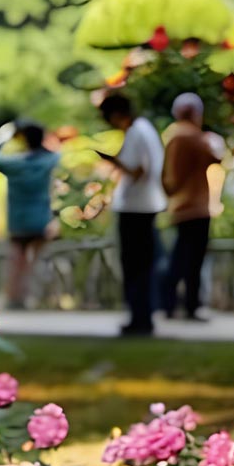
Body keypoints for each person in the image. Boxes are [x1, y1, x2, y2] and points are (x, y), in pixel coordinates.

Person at [98, 93, 165, 337]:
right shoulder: (144, 129)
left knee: (135, 265)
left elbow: (138, 171)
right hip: (144, 206)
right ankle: (141, 316)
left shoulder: (137, 131)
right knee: (142, 264)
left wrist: (113, 161)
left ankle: (140, 318)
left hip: (136, 208)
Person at [159, 93, 222, 321]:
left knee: (180, 256)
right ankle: (190, 306)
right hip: (195, 207)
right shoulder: (193, 136)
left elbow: (168, 175)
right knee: (191, 260)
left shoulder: (173, 135)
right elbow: (215, 158)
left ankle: (169, 304)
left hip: (180, 206)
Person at [0, 120, 61, 309]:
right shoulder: (49, 161)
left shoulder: (14, 164)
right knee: (35, 261)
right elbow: (59, 154)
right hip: (41, 220)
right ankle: (34, 298)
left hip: (18, 221)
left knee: (16, 263)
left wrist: (4, 136)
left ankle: (15, 299)